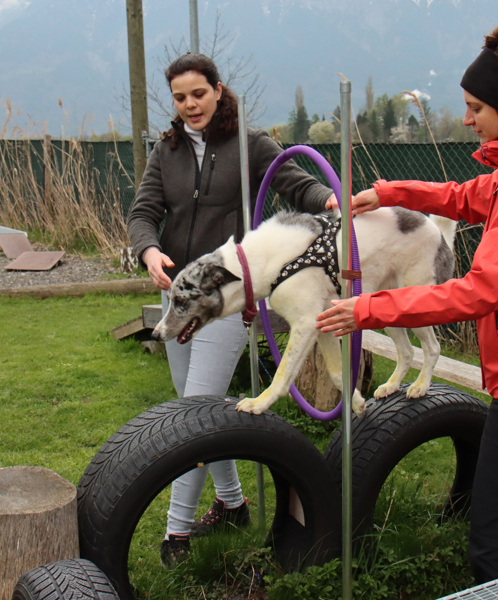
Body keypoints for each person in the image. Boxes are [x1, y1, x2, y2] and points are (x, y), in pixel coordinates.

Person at [315, 22, 498, 584]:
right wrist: (391, 192)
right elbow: (465, 197)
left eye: (475, 108)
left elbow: (479, 291)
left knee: (495, 548)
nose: (468, 119)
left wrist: (369, 310)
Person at [128, 52, 335, 569]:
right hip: (178, 297)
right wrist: (150, 251)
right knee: (197, 406)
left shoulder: (251, 144)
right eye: (179, 97)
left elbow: (295, 184)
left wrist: (328, 200)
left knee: (194, 410)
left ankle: (176, 534)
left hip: (227, 299)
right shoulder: (167, 149)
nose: (190, 105)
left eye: (198, 93)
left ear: (218, 90)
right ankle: (234, 503)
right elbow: (144, 211)